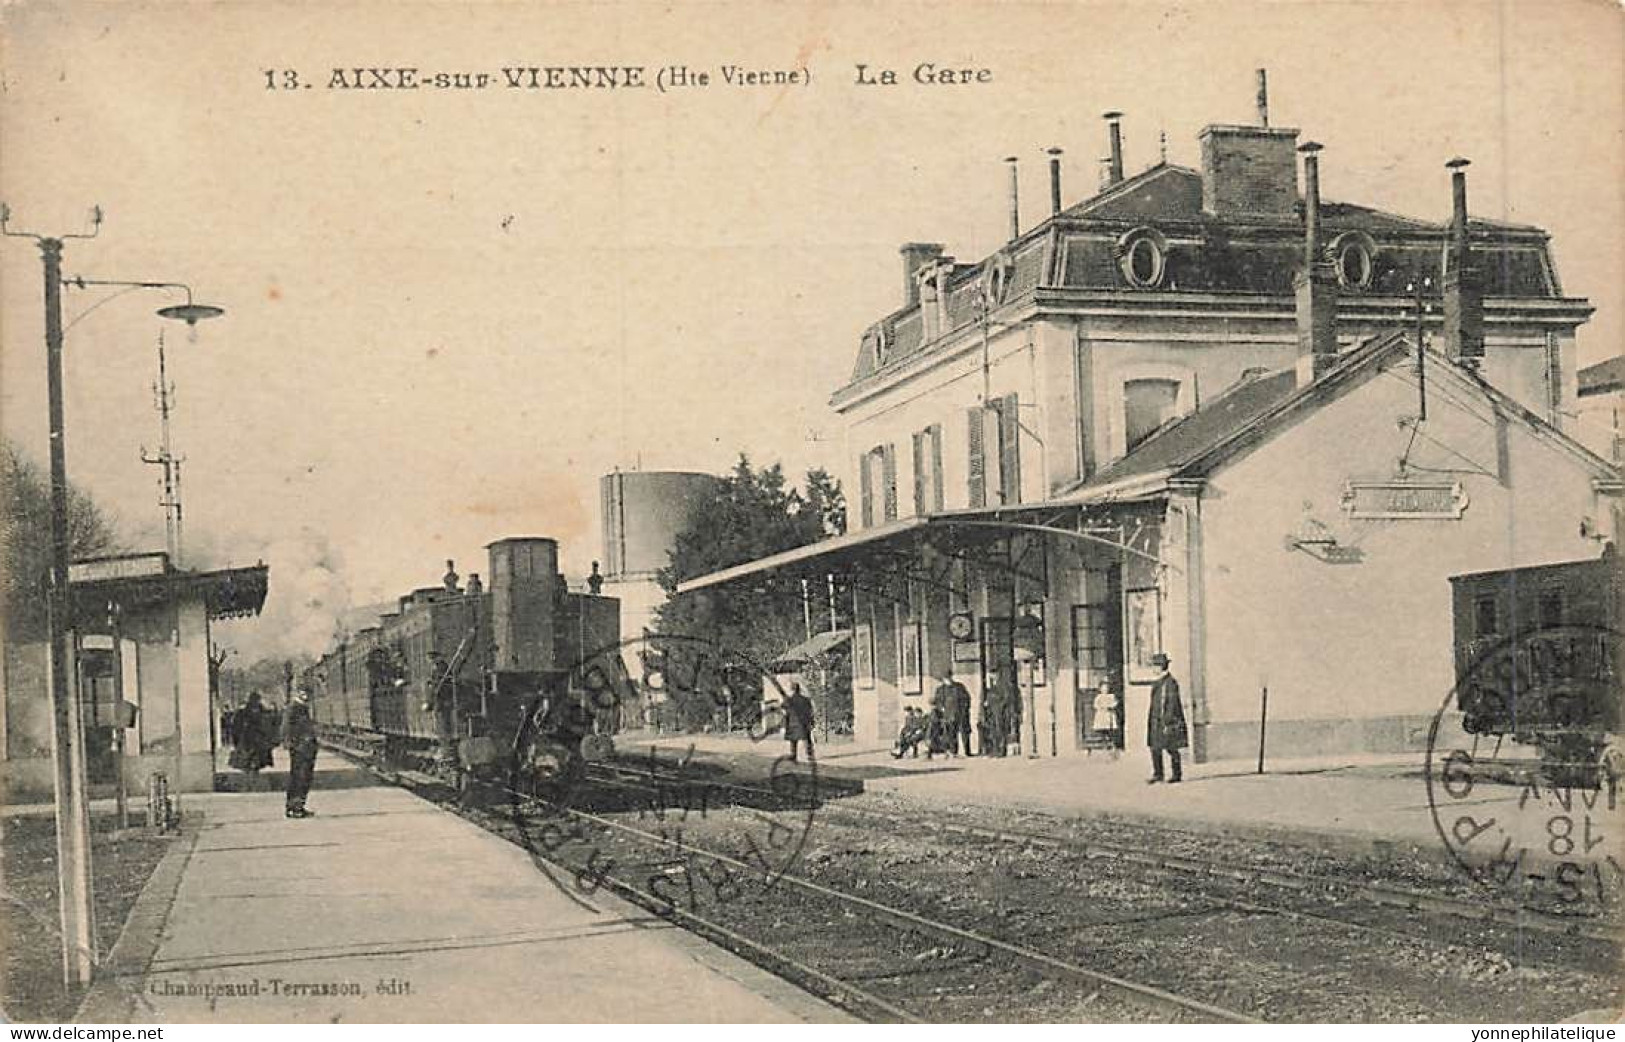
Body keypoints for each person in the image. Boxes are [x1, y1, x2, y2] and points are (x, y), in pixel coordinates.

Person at [1146, 653, 1188, 784]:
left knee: (1171, 747)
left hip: (1167, 720)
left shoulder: (1170, 683)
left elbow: (1172, 703)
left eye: (1154, 666)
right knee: (1154, 747)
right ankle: (1158, 774)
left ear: (1160, 667)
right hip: (1155, 720)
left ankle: (1177, 774)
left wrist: (1168, 720)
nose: (1153, 669)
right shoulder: (1158, 681)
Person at [284, 686, 320, 818]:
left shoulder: (302, 707)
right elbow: (287, 728)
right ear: (298, 693)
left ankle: (297, 806)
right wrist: (293, 744)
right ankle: (294, 807)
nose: (306, 696)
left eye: (308, 693)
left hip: (305, 748)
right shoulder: (294, 708)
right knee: (300, 777)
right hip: (300, 748)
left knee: (303, 777)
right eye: (304, 693)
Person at [228, 691, 276, 785]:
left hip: (254, 739)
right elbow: (236, 726)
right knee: (249, 759)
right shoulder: (246, 711)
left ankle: (251, 777)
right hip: (250, 739)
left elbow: (268, 725)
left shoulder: (259, 711)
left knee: (253, 759)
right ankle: (250, 777)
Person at [782, 681, 815, 762]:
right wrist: (811, 721)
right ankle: (810, 755)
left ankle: (793, 755)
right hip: (804, 722)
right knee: (806, 739)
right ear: (799, 689)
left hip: (793, 722)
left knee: (793, 740)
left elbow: (784, 711)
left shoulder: (789, 700)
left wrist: (785, 723)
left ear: (792, 690)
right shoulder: (806, 700)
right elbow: (810, 711)